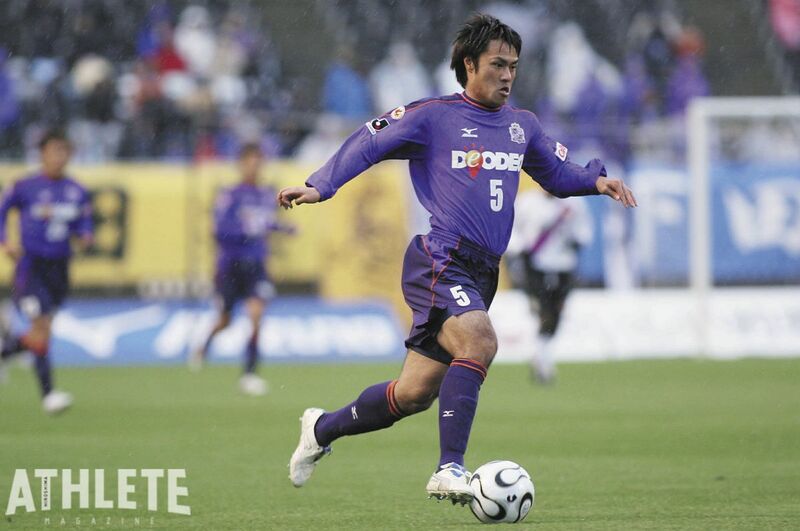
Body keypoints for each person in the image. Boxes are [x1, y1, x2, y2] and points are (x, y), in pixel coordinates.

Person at [279, 14, 636, 504]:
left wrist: (595, 180)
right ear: (469, 64)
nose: (508, 75)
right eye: (497, 65)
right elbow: (370, 140)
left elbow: (556, 173)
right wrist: (321, 184)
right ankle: (449, 468)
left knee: (412, 395)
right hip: (440, 259)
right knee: (480, 341)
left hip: (483, 271)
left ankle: (321, 429)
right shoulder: (434, 117)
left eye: (513, 66)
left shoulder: (522, 126)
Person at [0, 129, 93, 414]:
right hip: (32, 267)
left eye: (64, 151)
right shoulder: (25, 186)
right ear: (42, 154)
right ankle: (49, 395)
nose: (59, 157)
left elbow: (84, 225)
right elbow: (2, 212)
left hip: (59, 268)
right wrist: (6, 242)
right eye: (54, 151)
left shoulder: (76, 191)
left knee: (42, 332)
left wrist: (85, 237)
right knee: (40, 328)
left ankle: (6, 351)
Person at [190, 143, 294, 396]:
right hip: (231, 265)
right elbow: (219, 230)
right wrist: (245, 230)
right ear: (241, 164)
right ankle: (203, 345)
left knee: (257, 315)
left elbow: (265, 224)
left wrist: (283, 228)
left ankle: (249, 373)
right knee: (225, 320)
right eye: (250, 162)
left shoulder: (266, 195)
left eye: (258, 162)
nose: (255, 167)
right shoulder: (230, 195)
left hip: (256, 265)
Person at [506, 190, 593, 384]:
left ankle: (542, 354)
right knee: (543, 311)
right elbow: (513, 230)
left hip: (564, 265)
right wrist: (519, 248)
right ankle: (543, 360)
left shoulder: (574, 204)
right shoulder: (527, 202)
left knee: (557, 311)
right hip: (536, 265)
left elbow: (584, 231)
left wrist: (575, 236)